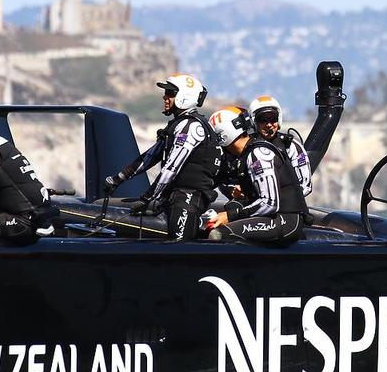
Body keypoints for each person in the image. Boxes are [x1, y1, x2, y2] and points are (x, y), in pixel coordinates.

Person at [103, 73, 220, 241]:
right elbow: (149, 157)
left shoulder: (191, 127)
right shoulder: (177, 125)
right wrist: (117, 179)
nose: (165, 97)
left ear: (184, 97)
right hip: (173, 195)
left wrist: (147, 198)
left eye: (170, 93)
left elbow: (171, 168)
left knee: (179, 246)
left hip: (188, 197)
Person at [205, 107, 307, 247]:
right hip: (276, 218)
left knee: (218, 234)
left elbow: (270, 203)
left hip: (286, 222)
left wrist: (230, 215)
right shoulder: (247, 153)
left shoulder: (257, 154)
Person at [248, 95, 313, 197]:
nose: (269, 125)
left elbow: (306, 185)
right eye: (263, 120)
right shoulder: (247, 147)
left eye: (272, 119)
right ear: (254, 122)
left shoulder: (291, 146)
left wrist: (277, 200)